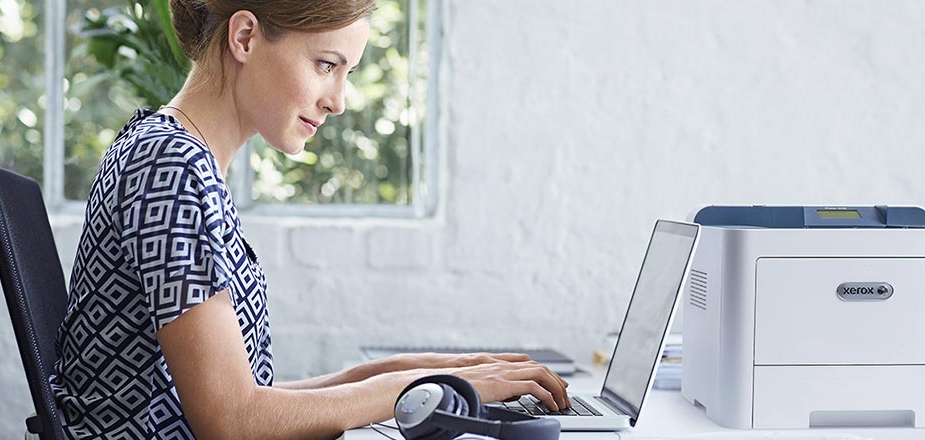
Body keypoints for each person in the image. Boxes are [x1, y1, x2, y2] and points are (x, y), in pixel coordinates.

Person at [49, 1, 569, 438]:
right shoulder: (170, 166)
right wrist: (428, 389)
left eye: (347, 73)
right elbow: (231, 421)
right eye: (326, 65)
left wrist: (440, 373)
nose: (339, 101)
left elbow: (244, 401)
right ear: (246, 37)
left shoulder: (175, 155)